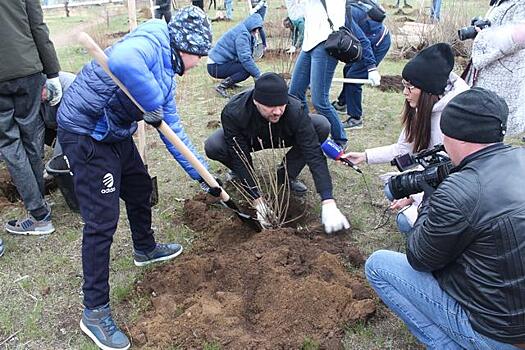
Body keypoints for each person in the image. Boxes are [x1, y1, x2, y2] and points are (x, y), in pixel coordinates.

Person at [57, 7, 214, 350]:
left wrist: (204, 177)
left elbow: (174, 134)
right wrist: (151, 101)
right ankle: (94, 312)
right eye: (198, 55)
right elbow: (124, 62)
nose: (199, 62)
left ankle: (145, 248)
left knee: (140, 186)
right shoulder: (152, 37)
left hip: (114, 133)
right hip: (86, 134)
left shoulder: (167, 72)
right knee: (102, 222)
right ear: (183, 46)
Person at [365, 87, 525, 349]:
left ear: (452, 136)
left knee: (379, 265)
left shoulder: (459, 189)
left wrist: (432, 194)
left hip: (498, 336)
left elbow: (419, 258)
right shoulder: (519, 156)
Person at [344, 43, 468, 234]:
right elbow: (403, 149)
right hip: (431, 175)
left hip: (454, 191)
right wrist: (364, 156)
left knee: (404, 221)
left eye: (410, 87)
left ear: (428, 90)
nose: (404, 92)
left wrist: (413, 198)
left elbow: (453, 176)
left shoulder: (454, 119)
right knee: (391, 188)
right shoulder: (421, 107)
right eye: (404, 85)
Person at [205, 73, 350, 233]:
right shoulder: (234, 112)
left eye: (282, 105)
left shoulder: (295, 109)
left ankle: (286, 174)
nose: (278, 111)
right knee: (214, 145)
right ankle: (241, 175)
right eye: (271, 107)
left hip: (283, 135)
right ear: (256, 101)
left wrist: (327, 200)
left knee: (321, 125)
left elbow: (313, 153)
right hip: (249, 140)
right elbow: (239, 154)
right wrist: (257, 200)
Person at [0, 0, 62, 236]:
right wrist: (53, 72)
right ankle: (40, 209)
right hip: (29, 70)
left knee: (9, 144)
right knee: (32, 138)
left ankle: (39, 214)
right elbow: (38, 26)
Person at [289, 0, 347, 149]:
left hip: (326, 43)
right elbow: (295, 14)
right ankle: (309, 132)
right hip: (309, 43)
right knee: (294, 94)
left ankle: (340, 139)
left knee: (319, 100)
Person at [464, 0, 525, 136]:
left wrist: (484, 35)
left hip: (505, 76)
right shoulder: (500, 1)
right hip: (491, 72)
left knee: (497, 125)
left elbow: (520, 37)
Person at [331, 0, 391, 129]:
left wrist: (371, 68)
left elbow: (364, 42)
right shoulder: (338, 9)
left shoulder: (345, 15)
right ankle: (343, 103)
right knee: (348, 69)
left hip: (378, 42)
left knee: (354, 76)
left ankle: (355, 118)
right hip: (369, 38)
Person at [207, 13, 263, 98]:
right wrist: (258, 75)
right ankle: (222, 86)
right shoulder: (243, 35)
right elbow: (245, 58)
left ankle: (231, 83)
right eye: (256, 29)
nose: (257, 31)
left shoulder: (243, 29)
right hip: (215, 66)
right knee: (246, 70)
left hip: (218, 63)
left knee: (246, 67)